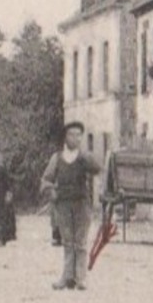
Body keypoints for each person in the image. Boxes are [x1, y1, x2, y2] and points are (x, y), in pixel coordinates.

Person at [40, 122, 100, 290]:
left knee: (80, 242)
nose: (76, 138)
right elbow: (46, 179)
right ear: (65, 137)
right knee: (67, 241)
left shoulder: (83, 157)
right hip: (63, 204)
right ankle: (66, 277)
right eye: (72, 134)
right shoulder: (57, 158)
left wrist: (87, 156)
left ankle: (81, 278)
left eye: (79, 135)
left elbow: (97, 168)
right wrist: (51, 191)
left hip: (82, 204)